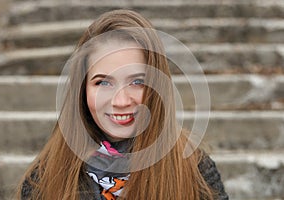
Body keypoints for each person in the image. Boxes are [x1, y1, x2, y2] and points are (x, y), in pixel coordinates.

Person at [16, 9, 228, 200]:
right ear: (82, 90)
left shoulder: (194, 168)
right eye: (103, 82)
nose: (121, 101)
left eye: (137, 82)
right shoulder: (44, 178)